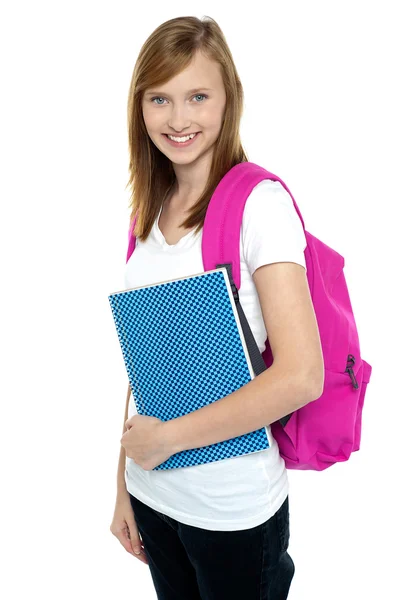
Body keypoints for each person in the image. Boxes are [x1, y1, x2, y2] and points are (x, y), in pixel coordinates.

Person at [110, 15, 324, 600]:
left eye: (198, 96)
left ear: (228, 100)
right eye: (160, 99)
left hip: (232, 513)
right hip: (154, 497)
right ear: (141, 107)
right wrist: (123, 483)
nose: (179, 119)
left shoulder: (260, 205)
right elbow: (147, 358)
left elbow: (304, 376)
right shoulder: (146, 212)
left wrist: (168, 440)